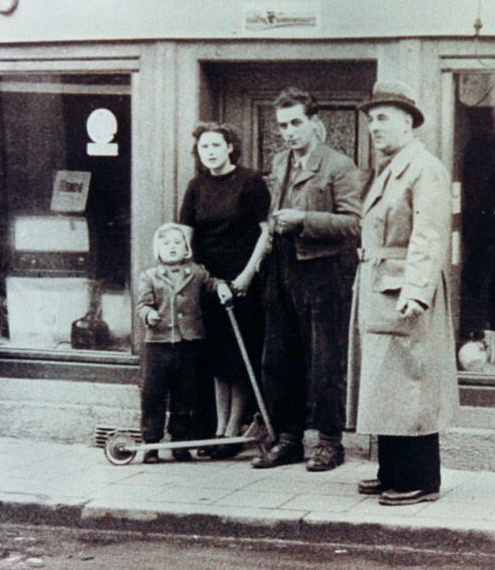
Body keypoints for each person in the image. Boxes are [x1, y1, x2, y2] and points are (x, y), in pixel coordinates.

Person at [346, 80, 460, 505]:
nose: (374, 127)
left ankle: (421, 479)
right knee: (385, 384)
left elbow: (428, 235)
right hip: (381, 287)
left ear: (408, 122)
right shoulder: (391, 167)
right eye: (371, 120)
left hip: (403, 290)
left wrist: (416, 290)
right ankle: (392, 470)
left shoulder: (424, 168)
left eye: (382, 118)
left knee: (411, 383)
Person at [250, 87, 361, 472]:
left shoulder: (339, 165)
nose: (289, 132)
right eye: (283, 125)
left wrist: (304, 220)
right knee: (279, 358)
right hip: (281, 268)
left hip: (323, 271)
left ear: (315, 123)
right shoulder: (281, 161)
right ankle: (288, 440)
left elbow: (355, 223)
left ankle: (330, 443)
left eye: (296, 123)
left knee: (326, 361)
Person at [180, 123, 272, 458]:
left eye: (216, 145)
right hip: (209, 282)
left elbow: (266, 232)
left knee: (240, 354)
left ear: (230, 147)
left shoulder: (250, 182)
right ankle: (219, 429)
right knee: (218, 357)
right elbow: (186, 234)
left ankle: (234, 431)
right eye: (204, 147)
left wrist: (246, 276)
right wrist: (201, 277)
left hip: (243, 281)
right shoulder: (196, 186)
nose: (210, 152)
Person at [135, 223, 232, 463]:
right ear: (158, 250)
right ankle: (151, 443)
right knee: (153, 394)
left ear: (187, 249)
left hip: (188, 343)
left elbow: (211, 283)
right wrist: (149, 314)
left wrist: (221, 286)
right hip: (157, 344)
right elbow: (142, 305)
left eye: (178, 243)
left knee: (185, 393)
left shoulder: (196, 273)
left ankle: (180, 442)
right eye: (166, 243)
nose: (172, 247)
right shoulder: (149, 276)